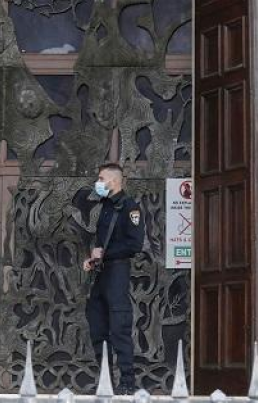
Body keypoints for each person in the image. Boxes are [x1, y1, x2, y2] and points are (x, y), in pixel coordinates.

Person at [82, 163, 145, 395]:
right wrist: (93, 259)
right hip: (101, 273)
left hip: (117, 271)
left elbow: (134, 244)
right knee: (98, 327)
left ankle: (127, 383)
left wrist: (106, 253)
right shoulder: (106, 206)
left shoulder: (130, 208)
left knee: (119, 328)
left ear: (114, 181)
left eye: (101, 178)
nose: (97, 183)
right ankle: (105, 381)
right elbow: (102, 243)